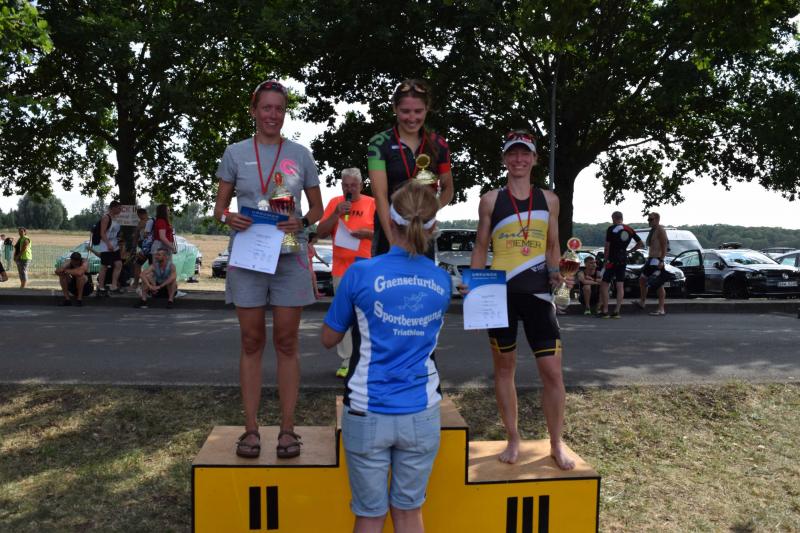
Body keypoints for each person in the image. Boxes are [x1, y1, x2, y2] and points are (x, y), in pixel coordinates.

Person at [321, 181, 450, 533]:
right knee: (409, 512)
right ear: (433, 227)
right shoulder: (442, 280)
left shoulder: (360, 273)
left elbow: (329, 339)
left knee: (370, 514)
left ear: (389, 222)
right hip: (421, 412)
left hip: (367, 409)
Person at [213, 79, 323, 459]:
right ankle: (251, 429)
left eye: (279, 108)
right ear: (254, 110)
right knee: (251, 341)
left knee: (287, 342)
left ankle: (288, 430)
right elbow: (219, 209)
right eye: (266, 108)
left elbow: (317, 209)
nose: (273, 115)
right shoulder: (235, 152)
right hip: (249, 256)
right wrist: (229, 218)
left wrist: (302, 222)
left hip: (289, 256)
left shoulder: (301, 155)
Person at [464, 130, 575, 470]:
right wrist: (473, 288)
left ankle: (556, 443)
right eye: (512, 154)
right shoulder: (490, 200)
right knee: (504, 369)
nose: (518, 159)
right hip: (499, 294)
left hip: (539, 293)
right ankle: (513, 438)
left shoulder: (550, 199)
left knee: (552, 372)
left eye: (525, 154)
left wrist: (557, 272)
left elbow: (553, 244)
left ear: (535, 159)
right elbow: (480, 246)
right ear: (504, 159)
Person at [367, 79, 453, 258]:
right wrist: (392, 241)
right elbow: (380, 195)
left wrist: (427, 212)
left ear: (427, 109)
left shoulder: (439, 144)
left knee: (422, 275)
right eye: (405, 111)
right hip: (390, 226)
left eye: (418, 111)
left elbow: (448, 189)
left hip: (423, 229)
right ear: (395, 108)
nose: (412, 118)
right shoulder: (379, 143)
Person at [316, 167, 376, 377]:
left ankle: (368, 360)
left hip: (367, 268)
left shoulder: (372, 203)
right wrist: (336, 214)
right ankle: (346, 361)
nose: (349, 189)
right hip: (342, 269)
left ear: (361, 185)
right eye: (346, 186)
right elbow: (321, 231)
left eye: (353, 185)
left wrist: (367, 234)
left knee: (368, 315)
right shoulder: (335, 202)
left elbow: (385, 234)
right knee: (344, 315)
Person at [598, 211, 642, 318]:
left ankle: (605, 310)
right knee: (620, 285)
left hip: (612, 259)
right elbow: (640, 243)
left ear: (613, 218)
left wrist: (605, 260)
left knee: (604, 284)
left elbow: (607, 246)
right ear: (622, 218)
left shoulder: (611, 229)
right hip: (623, 259)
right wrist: (630, 251)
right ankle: (617, 311)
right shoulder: (629, 229)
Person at [636, 212, 670, 316]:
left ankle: (661, 309)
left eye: (651, 219)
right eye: (648, 219)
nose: (649, 221)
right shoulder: (653, 230)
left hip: (657, 259)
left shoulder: (660, 230)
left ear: (657, 220)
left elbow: (664, 246)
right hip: (651, 259)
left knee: (658, 284)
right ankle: (642, 302)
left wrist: (661, 260)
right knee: (642, 279)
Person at [95, 201, 123, 295]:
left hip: (115, 245)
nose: (120, 210)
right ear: (113, 208)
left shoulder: (116, 218)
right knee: (104, 266)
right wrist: (108, 244)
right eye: (119, 208)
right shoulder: (106, 217)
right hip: (106, 246)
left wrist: (118, 239)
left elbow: (114, 232)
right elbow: (102, 233)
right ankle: (101, 287)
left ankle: (113, 286)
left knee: (118, 264)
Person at [131, 208, 155, 289]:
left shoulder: (147, 221)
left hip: (148, 248)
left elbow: (137, 235)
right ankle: (138, 283)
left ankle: (140, 284)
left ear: (142, 214)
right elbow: (136, 235)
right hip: (147, 247)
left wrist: (134, 247)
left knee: (141, 264)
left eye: (139, 215)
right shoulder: (150, 221)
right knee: (139, 264)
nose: (139, 217)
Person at [306, 232, 328, 299]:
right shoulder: (307, 246)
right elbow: (305, 256)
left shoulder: (312, 246)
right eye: (316, 238)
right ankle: (314, 293)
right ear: (313, 238)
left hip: (310, 264)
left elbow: (317, 256)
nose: (317, 239)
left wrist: (324, 262)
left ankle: (316, 293)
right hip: (307, 265)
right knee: (312, 277)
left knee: (313, 278)